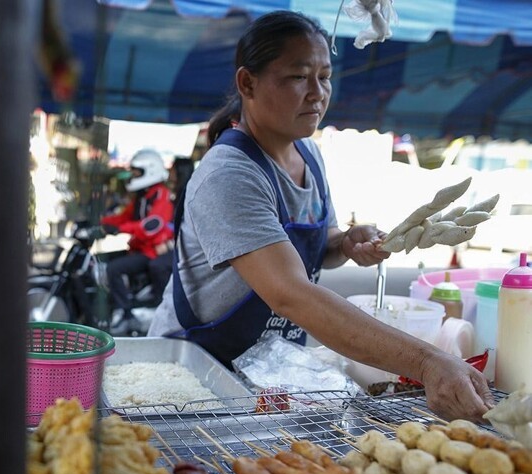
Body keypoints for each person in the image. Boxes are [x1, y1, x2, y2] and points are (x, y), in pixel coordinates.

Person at [147, 10, 493, 422]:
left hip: (262, 375)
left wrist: (343, 242)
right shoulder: (229, 174)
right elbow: (290, 292)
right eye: (298, 76)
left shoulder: (308, 154)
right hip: (194, 378)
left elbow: (318, 244)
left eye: (325, 77)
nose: (317, 93)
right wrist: (428, 361)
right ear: (247, 83)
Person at [101, 149, 174, 334]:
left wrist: (120, 229)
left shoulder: (161, 196)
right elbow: (122, 217)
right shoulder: (143, 197)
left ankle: (125, 314)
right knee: (102, 260)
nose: (133, 176)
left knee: (114, 268)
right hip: (139, 249)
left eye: (136, 172)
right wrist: (98, 222)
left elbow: (151, 226)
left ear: (150, 171)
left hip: (150, 252)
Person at [148, 156, 195, 301]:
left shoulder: (188, 194)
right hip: (175, 242)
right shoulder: (177, 194)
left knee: (157, 265)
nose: (170, 174)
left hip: (186, 246)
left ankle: (166, 302)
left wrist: (168, 243)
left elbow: (185, 226)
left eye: (173, 170)